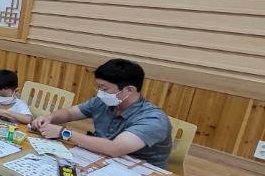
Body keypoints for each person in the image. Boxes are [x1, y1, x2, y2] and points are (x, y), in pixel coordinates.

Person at [31, 59, 173, 167]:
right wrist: (49, 118)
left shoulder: (153, 119)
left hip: (139, 172)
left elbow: (115, 149)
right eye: (98, 87)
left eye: (104, 88)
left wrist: (64, 133)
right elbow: (69, 113)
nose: (100, 93)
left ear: (129, 90)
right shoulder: (102, 101)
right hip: (100, 159)